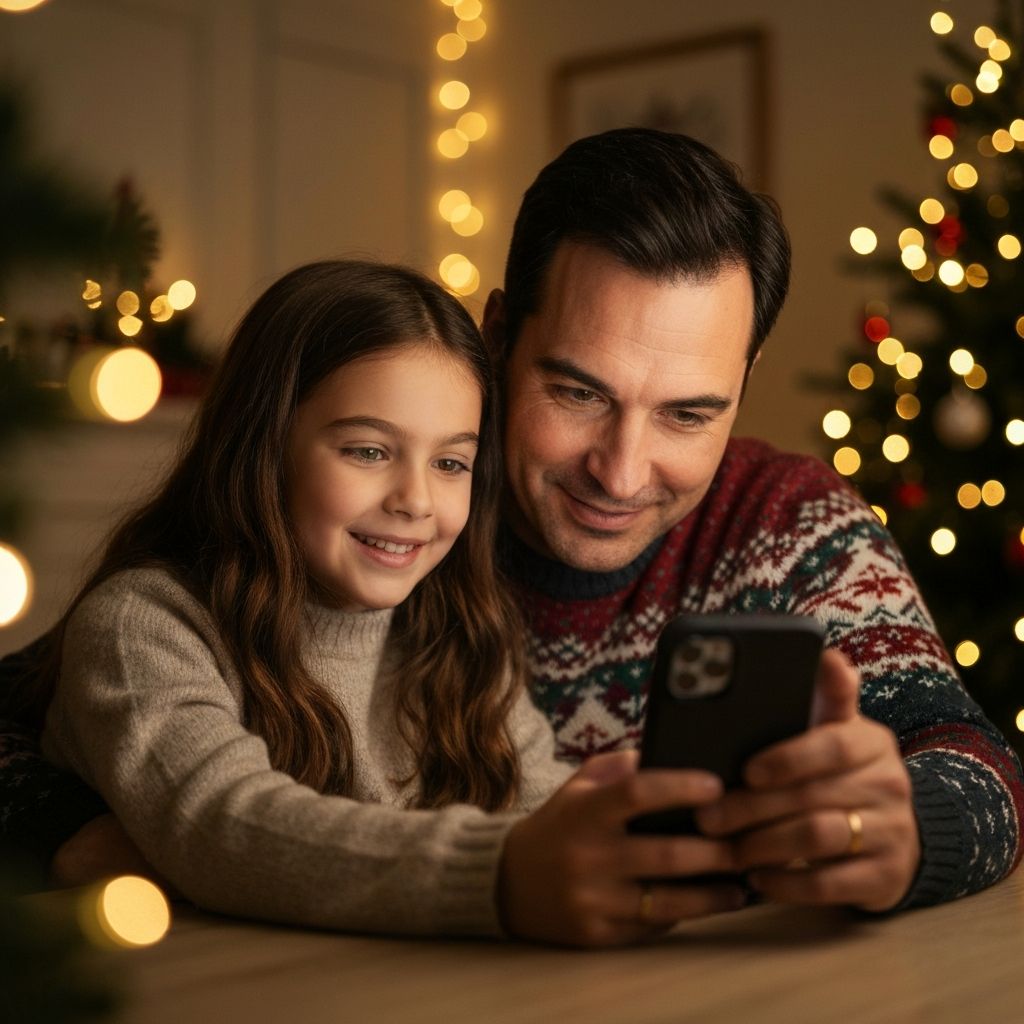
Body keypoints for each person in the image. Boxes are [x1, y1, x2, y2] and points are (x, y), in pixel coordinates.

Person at [3, 129, 1023, 945]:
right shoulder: (371, 556)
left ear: (743, 386)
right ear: (497, 339)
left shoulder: (774, 527)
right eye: (575, 392)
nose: (619, 473)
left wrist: (899, 831)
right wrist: (80, 831)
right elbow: (67, 715)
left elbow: (973, 757)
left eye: (686, 412)